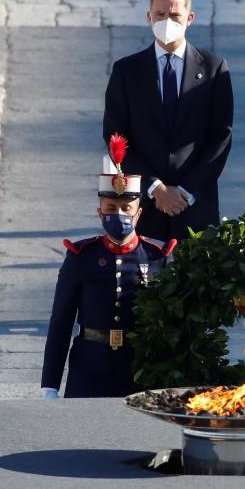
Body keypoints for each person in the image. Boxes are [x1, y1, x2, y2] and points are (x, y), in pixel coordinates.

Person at [41, 136, 176, 398]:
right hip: (89, 368)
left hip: (140, 370)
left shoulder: (158, 256)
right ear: (100, 213)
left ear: (138, 214)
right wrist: (50, 384)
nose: (119, 215)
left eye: (126, 208)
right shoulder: (81, 256)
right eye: (111, 208)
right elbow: (61, 322)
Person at [102, 0, 234, 242]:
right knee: (143, 282)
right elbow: (115, 134)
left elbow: (221, 136)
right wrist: (156, 188)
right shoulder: (127, 71)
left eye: (174, 15)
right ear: (149, 17)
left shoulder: (213, 69)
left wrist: (186, 191)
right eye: (160, 14)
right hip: (143, 207)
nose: (167, 20)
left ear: (189, 18)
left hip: (195, 205)